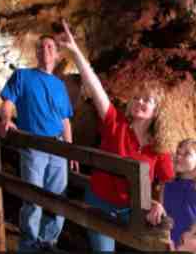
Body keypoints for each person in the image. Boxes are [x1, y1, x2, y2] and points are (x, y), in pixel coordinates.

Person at [56, 19, 174, 252]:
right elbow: (94, 85)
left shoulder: (158, 146)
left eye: (147, 100)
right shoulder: (115, 124)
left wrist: (158, 202)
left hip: (133, 208)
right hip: (101, 203)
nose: (140, 102)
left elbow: (166, 179)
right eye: (137, 98)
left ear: (156, 110)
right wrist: (76, 52)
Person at [0, 34, 76, 252]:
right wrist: (6, 120)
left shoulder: (60, 85)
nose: (46, 50)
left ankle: (48, 242)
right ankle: (29, 246)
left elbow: (65, 120)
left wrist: (70, 150)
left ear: (57, 55)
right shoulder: (22, 76)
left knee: (58, 201)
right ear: (37, 53)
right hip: (33, 146)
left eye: (50, 47)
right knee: (33, 200)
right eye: (41, 47)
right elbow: (7, 102)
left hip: (58, 148)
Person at [146, 140, 196, 248]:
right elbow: (161, 220)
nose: (178, 156)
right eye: (178, 152)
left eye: (187, 154)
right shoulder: (166, 186)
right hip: (169, 248)